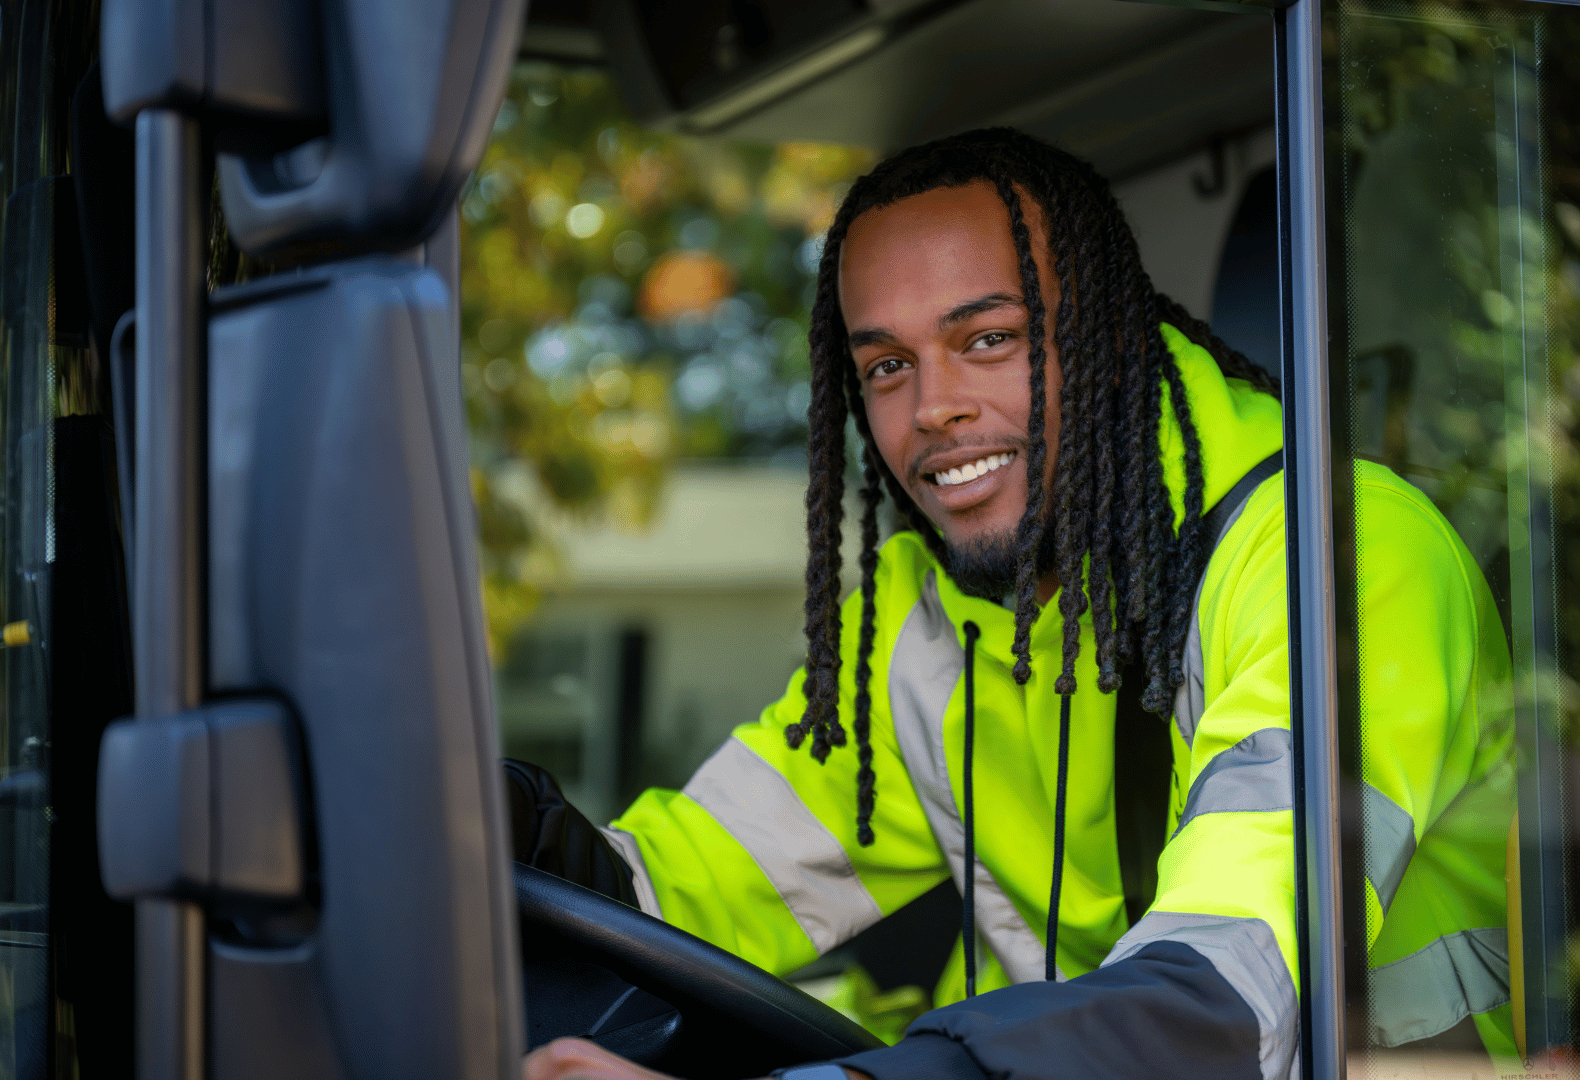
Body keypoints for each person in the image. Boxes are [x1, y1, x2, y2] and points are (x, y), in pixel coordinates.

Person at [517, 127, 1516, 1080]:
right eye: (888, 366)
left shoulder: (1340, 560)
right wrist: (480, 829)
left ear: (1113, 339)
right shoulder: (924, 616)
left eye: (989, 339)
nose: (933, 407)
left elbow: (1222, 997)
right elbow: (675, 895)